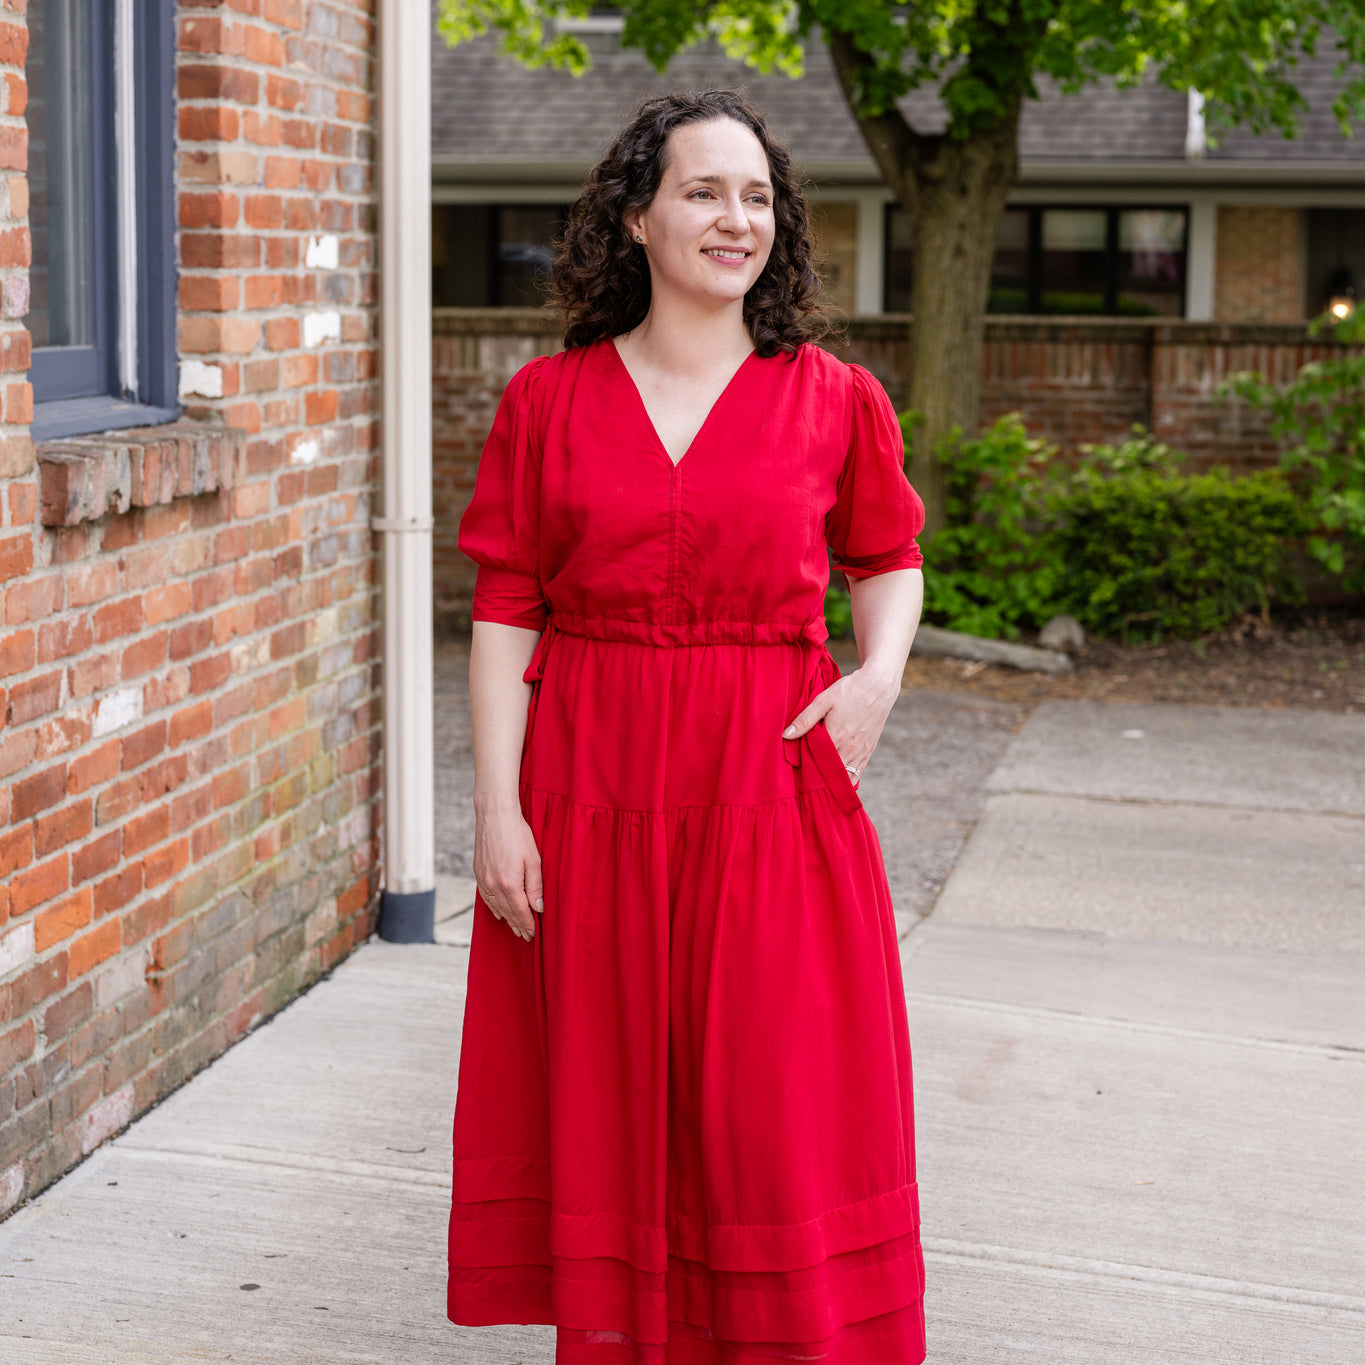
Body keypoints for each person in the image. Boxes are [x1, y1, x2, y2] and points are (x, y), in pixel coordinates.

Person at [448, 89, 928, 1364]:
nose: (736, 218)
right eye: (705, 191)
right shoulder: (547, 403)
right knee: (613, 1107)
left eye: (759, 196)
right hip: (588, 786)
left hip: (770, 787)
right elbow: (506, 609)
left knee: (769, 1114)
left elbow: (888, 557)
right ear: (638, 214)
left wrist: (874, 676)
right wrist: (496, 810)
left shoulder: (834, 398)